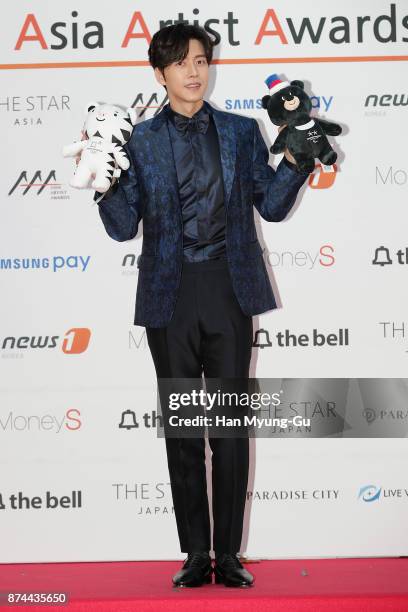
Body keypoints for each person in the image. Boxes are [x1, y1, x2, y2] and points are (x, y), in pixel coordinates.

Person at [92, 24, 310, 588]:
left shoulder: (241, 131)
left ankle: (230, 555)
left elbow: (275, 206)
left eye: (201, 61)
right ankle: (194, 553)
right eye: (183, 62)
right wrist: (102, 186)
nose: (195, 71)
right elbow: (122, 228)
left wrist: (298, 162)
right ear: (160, 73)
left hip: (230, 288)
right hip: (170, 295)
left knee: (230, 429)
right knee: (186, 431)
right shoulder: (138, 141)